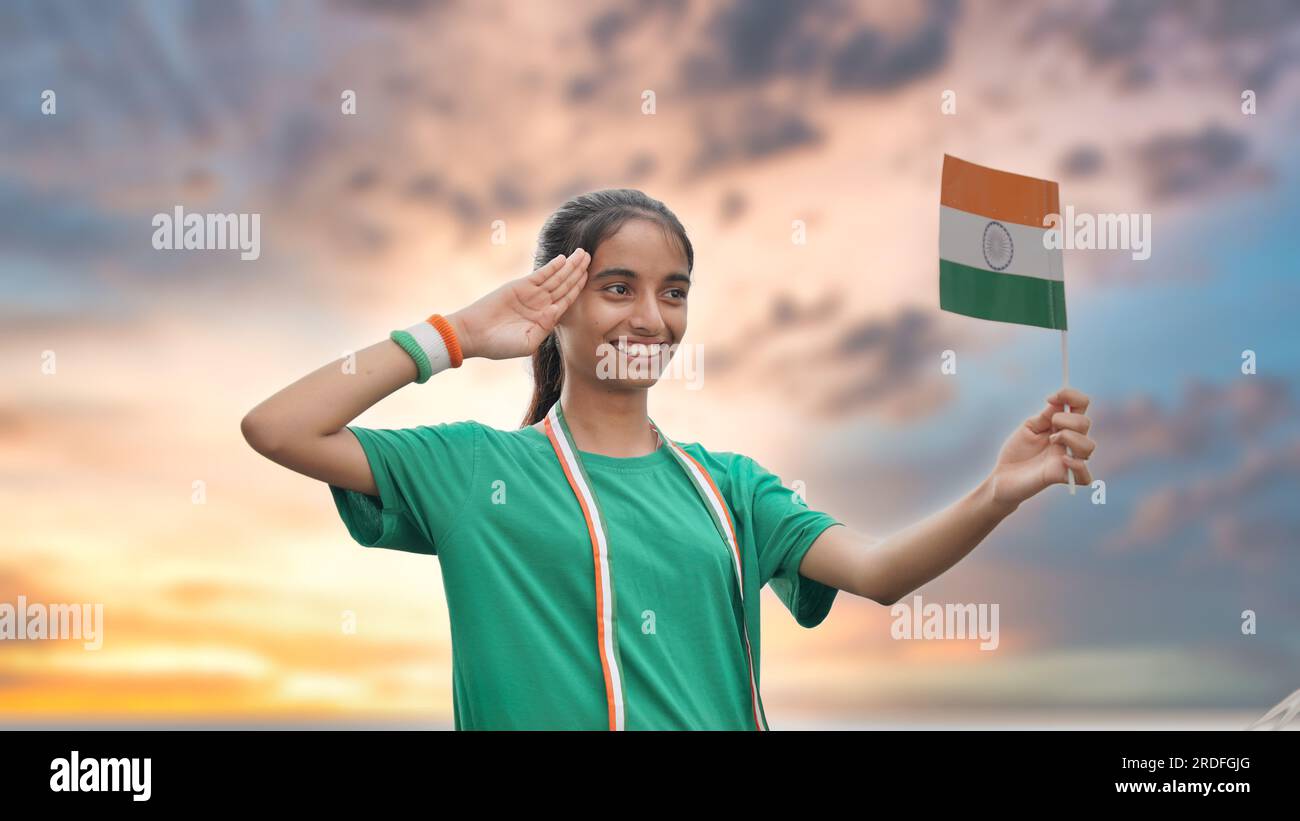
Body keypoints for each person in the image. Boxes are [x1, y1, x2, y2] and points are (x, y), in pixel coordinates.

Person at [240, 188, 1096, 730]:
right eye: (619, 287)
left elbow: (877, 572)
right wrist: (457, 334)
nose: (651, 317)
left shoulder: (731, 488)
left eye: (674, 291)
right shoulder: (472, 472)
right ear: (556, 303)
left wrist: (999, 490)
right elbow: (280, 428)